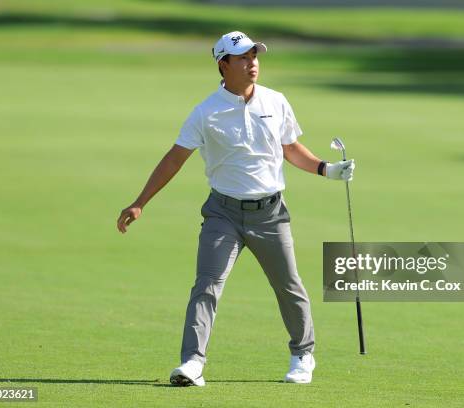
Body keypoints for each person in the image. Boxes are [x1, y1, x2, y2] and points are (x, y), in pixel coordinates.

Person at [117, 31, 355, 386]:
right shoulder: (205, 112)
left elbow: (290, 148)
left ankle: (303, 355)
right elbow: (174, 159)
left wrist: (327, 169)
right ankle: (192, 363)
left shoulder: (276, 101)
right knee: (207, 286)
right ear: (223, 65)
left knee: (288, 285)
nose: (252, 63)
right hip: (223, 213)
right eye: (243, 57)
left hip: (270, 213)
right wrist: (140, 202)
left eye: (254, 56)